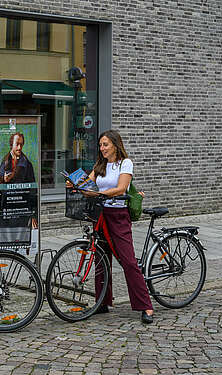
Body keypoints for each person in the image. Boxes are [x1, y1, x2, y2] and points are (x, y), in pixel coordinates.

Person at [68, 129, 154, 324]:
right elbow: (88, 183)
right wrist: (75, 184)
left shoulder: (125, 163)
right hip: (100, 214)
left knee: (128, 261)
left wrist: (99, 194)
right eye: (100, 145)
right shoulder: (101, 165)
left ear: (115, 144)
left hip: (118, 215)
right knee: (101, 259)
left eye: (105, 144)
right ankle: (103, 303)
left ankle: (146, 306)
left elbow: (121, 188)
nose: (102, 148)